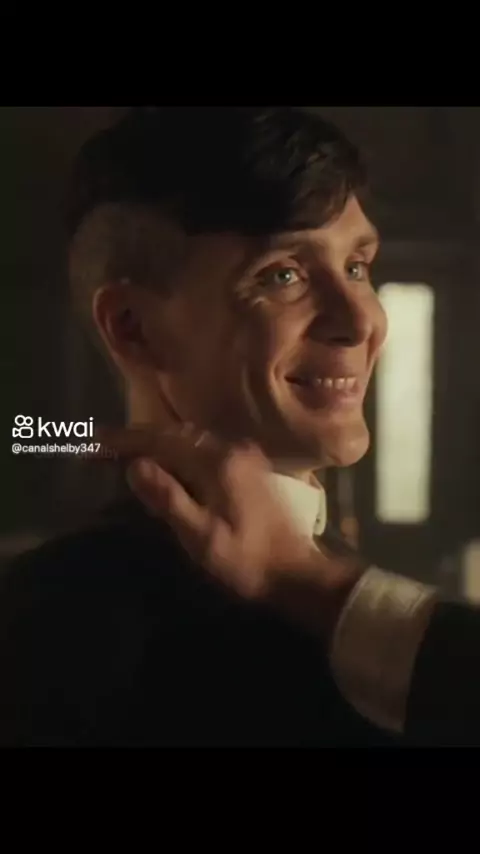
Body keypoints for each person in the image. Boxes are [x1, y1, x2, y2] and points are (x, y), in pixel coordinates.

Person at [1, 106, 402, 747]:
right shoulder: (63, 628)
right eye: (283, 275)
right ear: (133, 328)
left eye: (357, 267)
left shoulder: (336, 587)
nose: (361, 321)